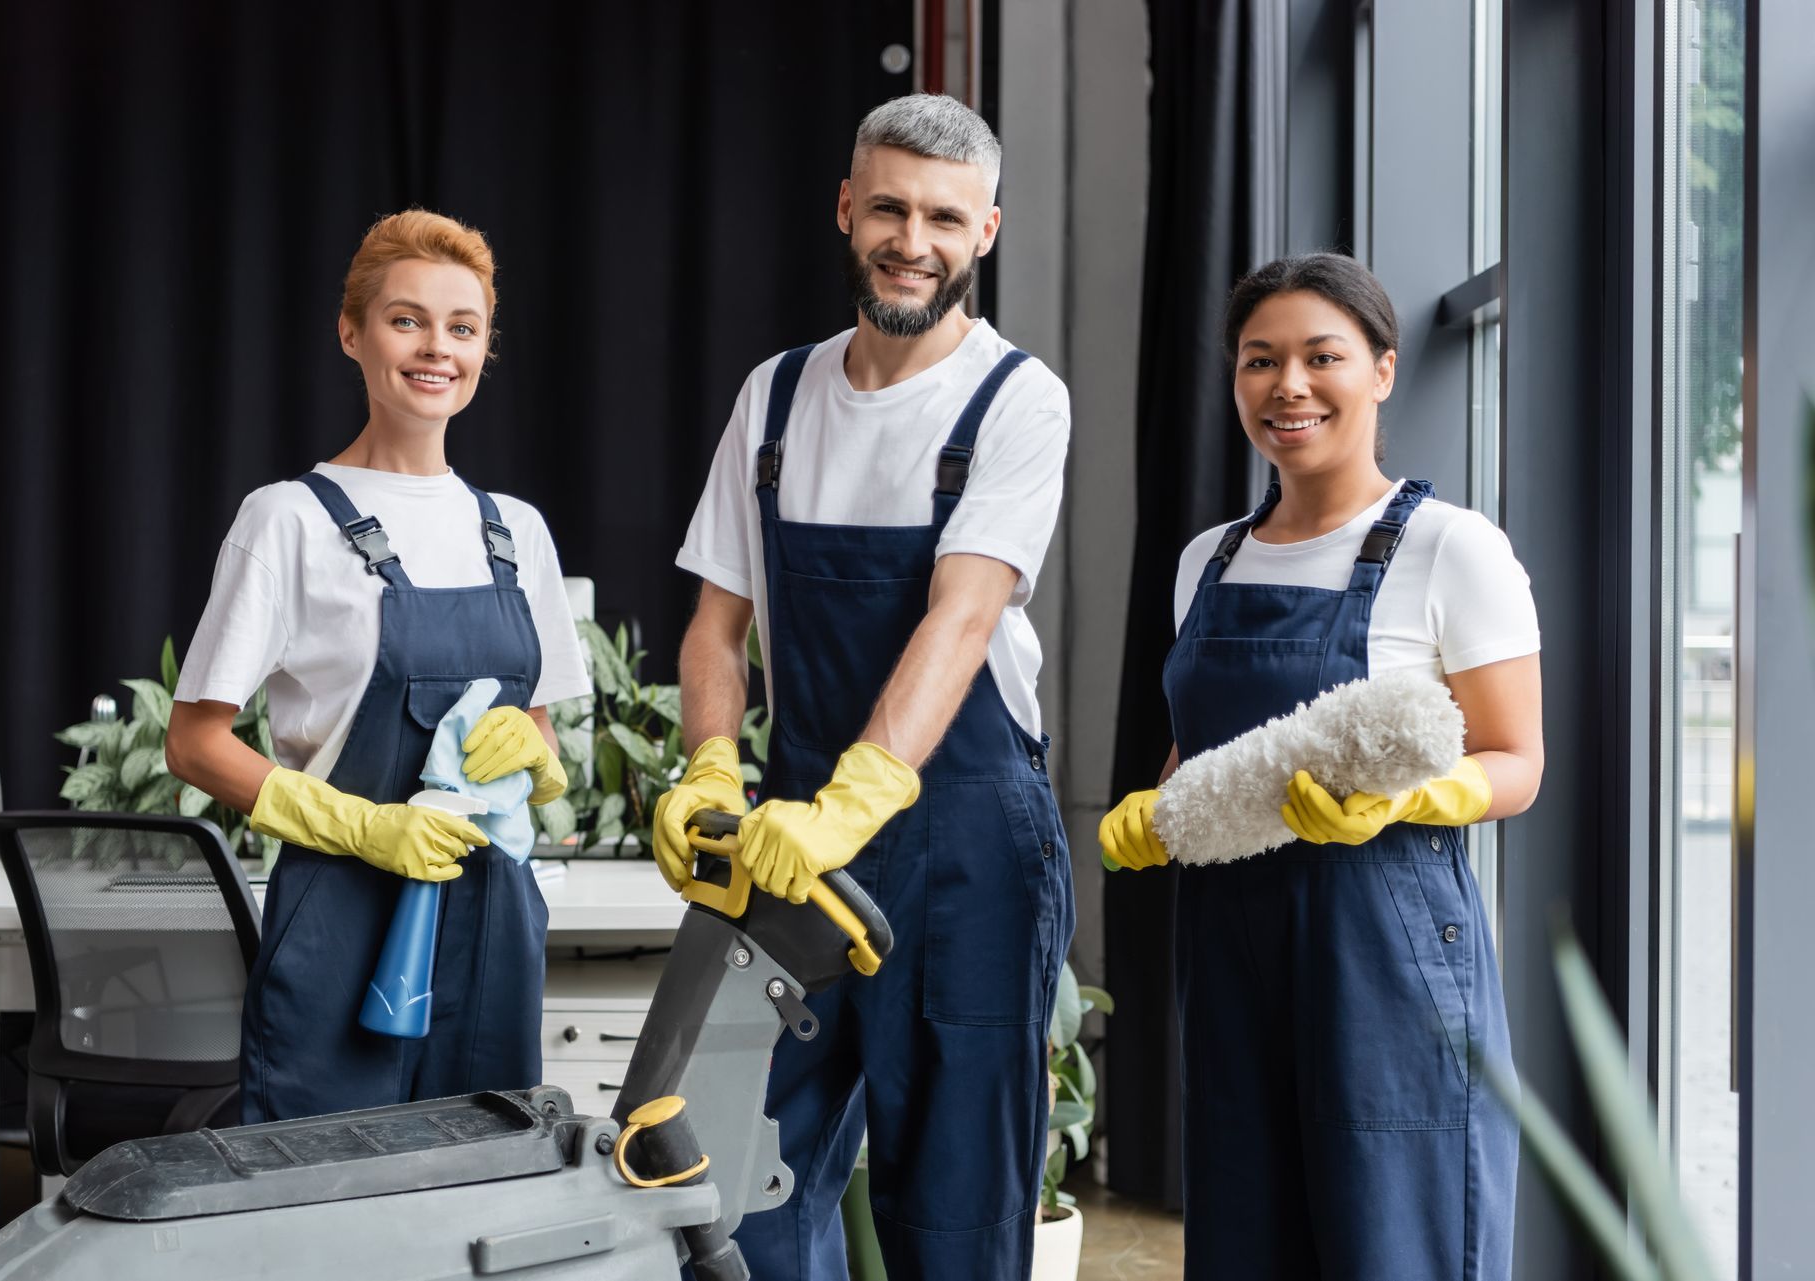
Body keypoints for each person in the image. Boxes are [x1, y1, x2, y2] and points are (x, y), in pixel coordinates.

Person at [654, 94, 1075, 1278]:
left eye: (944, 216)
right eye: (888, 206)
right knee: (734, 1184)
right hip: (790, 832)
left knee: (952, 1207)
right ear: (847, 209)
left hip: (963, 848)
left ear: (984, 230)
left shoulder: (1015, 400)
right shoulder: (774, 397)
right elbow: (717, 623)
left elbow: (964, 614)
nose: (912, 238)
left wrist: (859, 797)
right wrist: (710, 767)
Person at [1100, 252, 1541, 1280]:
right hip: (1231, 947)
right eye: (1260, 361)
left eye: (1320, 356)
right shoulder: (1207, 560)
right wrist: (1159, 805)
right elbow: (1210, 748)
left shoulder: (1452, 548)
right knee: (1249, 1238)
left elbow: (1518, 760)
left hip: (1388, 951)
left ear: (1383, 370)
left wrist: (1414, 801)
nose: (1287, 385)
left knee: (1399, 1241)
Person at [165, 210, 591, 1124]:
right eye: (408, 320)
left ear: (485, 348)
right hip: (341, 914)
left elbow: (544, 732)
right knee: (328, 1195)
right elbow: (194, 743)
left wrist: (538, 756)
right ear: (352, 331)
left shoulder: (517, 531)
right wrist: (360, 826)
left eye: (463, 327)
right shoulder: (287, 520)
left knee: (483, 1184)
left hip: (492, 921)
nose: (438, 348)